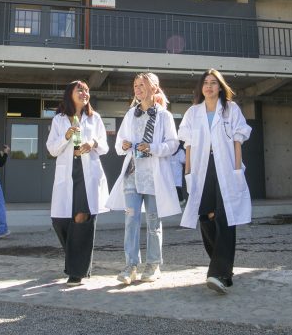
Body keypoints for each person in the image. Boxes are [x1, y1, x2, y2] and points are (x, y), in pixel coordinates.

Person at [179, 69, 251, 295]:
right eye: (205, 83)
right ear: (201, 88)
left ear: (220, 87)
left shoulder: (231, 109)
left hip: (226, 167)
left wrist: (237, 169)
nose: (209, 86)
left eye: (213, 83)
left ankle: (218, 271)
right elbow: (188, 145)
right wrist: (188, 173)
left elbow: (239, 139)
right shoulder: (193, 112)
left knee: (225, 216)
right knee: (206, 216)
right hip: (202, 168)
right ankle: (222, 270)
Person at [107, 72, 180, 285]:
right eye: (135, 85)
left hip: (153, 176)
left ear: (154, 88)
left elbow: (173, 144)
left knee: (153, 221)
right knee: (131, 220)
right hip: (132, 174)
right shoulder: (131, 114)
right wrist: (124, 145)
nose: (138, 89)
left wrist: (153, 148)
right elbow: (119, 142)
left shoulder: (164, 116)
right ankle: (130, 265)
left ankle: (153, 264)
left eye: (142, 85)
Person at [47, 80, 109, 287]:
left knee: (81, 218)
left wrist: (93, 143)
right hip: (67, 172)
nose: (84, 93)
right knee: (60, 221)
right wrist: (66, 136)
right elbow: (52, 150)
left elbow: (104, 146)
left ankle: (76, 272)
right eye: (79, 89)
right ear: (70, 94)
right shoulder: (59, 120)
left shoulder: (95, 118)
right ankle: (78, 260)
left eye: (86, 90)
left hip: (87, 173)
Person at [171, 141, 186, 207]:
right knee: (177, 186)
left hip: (170, 171)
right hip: (177, 171)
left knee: (171, 186)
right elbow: (183, 160)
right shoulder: (180, 151)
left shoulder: (168, 151)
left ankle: (173, 202)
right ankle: (181, 200)